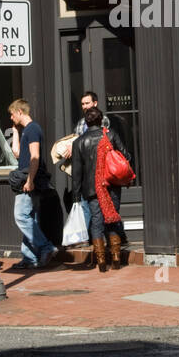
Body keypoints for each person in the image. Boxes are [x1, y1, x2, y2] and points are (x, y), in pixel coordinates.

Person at [70, 107, 130, 270]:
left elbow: (77, 172)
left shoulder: (79, 142)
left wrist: (75, 195)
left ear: (86, 122)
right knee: (113, 219)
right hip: (112, 184)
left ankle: (101, 261)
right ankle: (116, 258)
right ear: (101, 119)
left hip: (92, 189)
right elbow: (126, 156)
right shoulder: (110, 135)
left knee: (96, 222)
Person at [9, 99, 58, 268]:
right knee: (30, 218)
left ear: (20, 112)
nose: (11, 117)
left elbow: (34, 157)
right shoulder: (26, 131)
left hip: (29, 180)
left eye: (12, 114)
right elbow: (16, 153)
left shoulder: (33, 129)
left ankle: (46, 247)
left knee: (21, 216)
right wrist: (15, 131)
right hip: (29, 179)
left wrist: (29, 180)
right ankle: (30, 258)